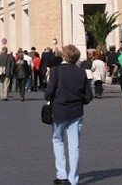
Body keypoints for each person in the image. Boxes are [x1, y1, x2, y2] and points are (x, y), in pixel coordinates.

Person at [44, 44, 93, 185]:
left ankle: (62, 175)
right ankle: (73, 179)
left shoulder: (56, 71)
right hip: (76, 111)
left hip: (59, 111)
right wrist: (80, 101)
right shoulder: (81, 72)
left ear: (64, 56)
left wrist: (48, 96)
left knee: (58, 141)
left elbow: (50, 91)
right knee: (74, 146)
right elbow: (88, 95)